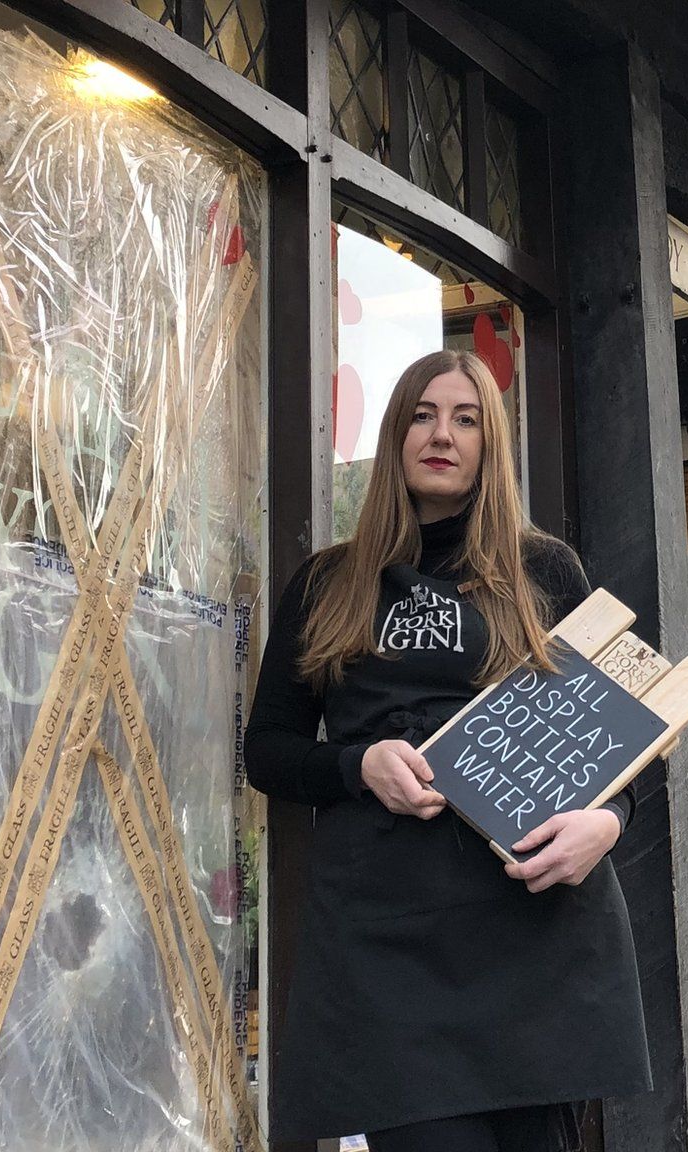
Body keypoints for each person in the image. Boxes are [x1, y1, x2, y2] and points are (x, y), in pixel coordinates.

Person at [244, 349, 652, 1152]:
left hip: (534, 934)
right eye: (424, 415)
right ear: (396, 433)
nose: (443, 434)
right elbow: (267, 750)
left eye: (466, 419)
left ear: (490, 445)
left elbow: (636, 738)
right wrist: (356, 767)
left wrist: (607, 823)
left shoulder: (546, 570)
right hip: (390, 948)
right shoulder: (327, 583)